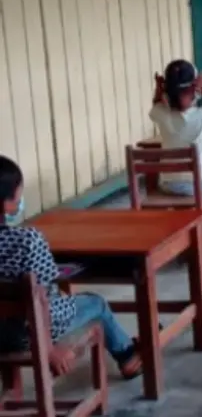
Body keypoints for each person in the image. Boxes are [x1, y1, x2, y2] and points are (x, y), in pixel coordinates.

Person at [0, 156, 142, 379]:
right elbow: (43, 299)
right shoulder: (28, 240)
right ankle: (128, 356)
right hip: (29, 333)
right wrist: (48, 349)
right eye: (18, 193)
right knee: (95, 302)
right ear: (5, 203)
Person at [149, 60, 202, 196]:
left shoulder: (161, 114)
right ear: (194, 89)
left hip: (167, 185)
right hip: (197, 186)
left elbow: (156, 105)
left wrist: (159, 90)